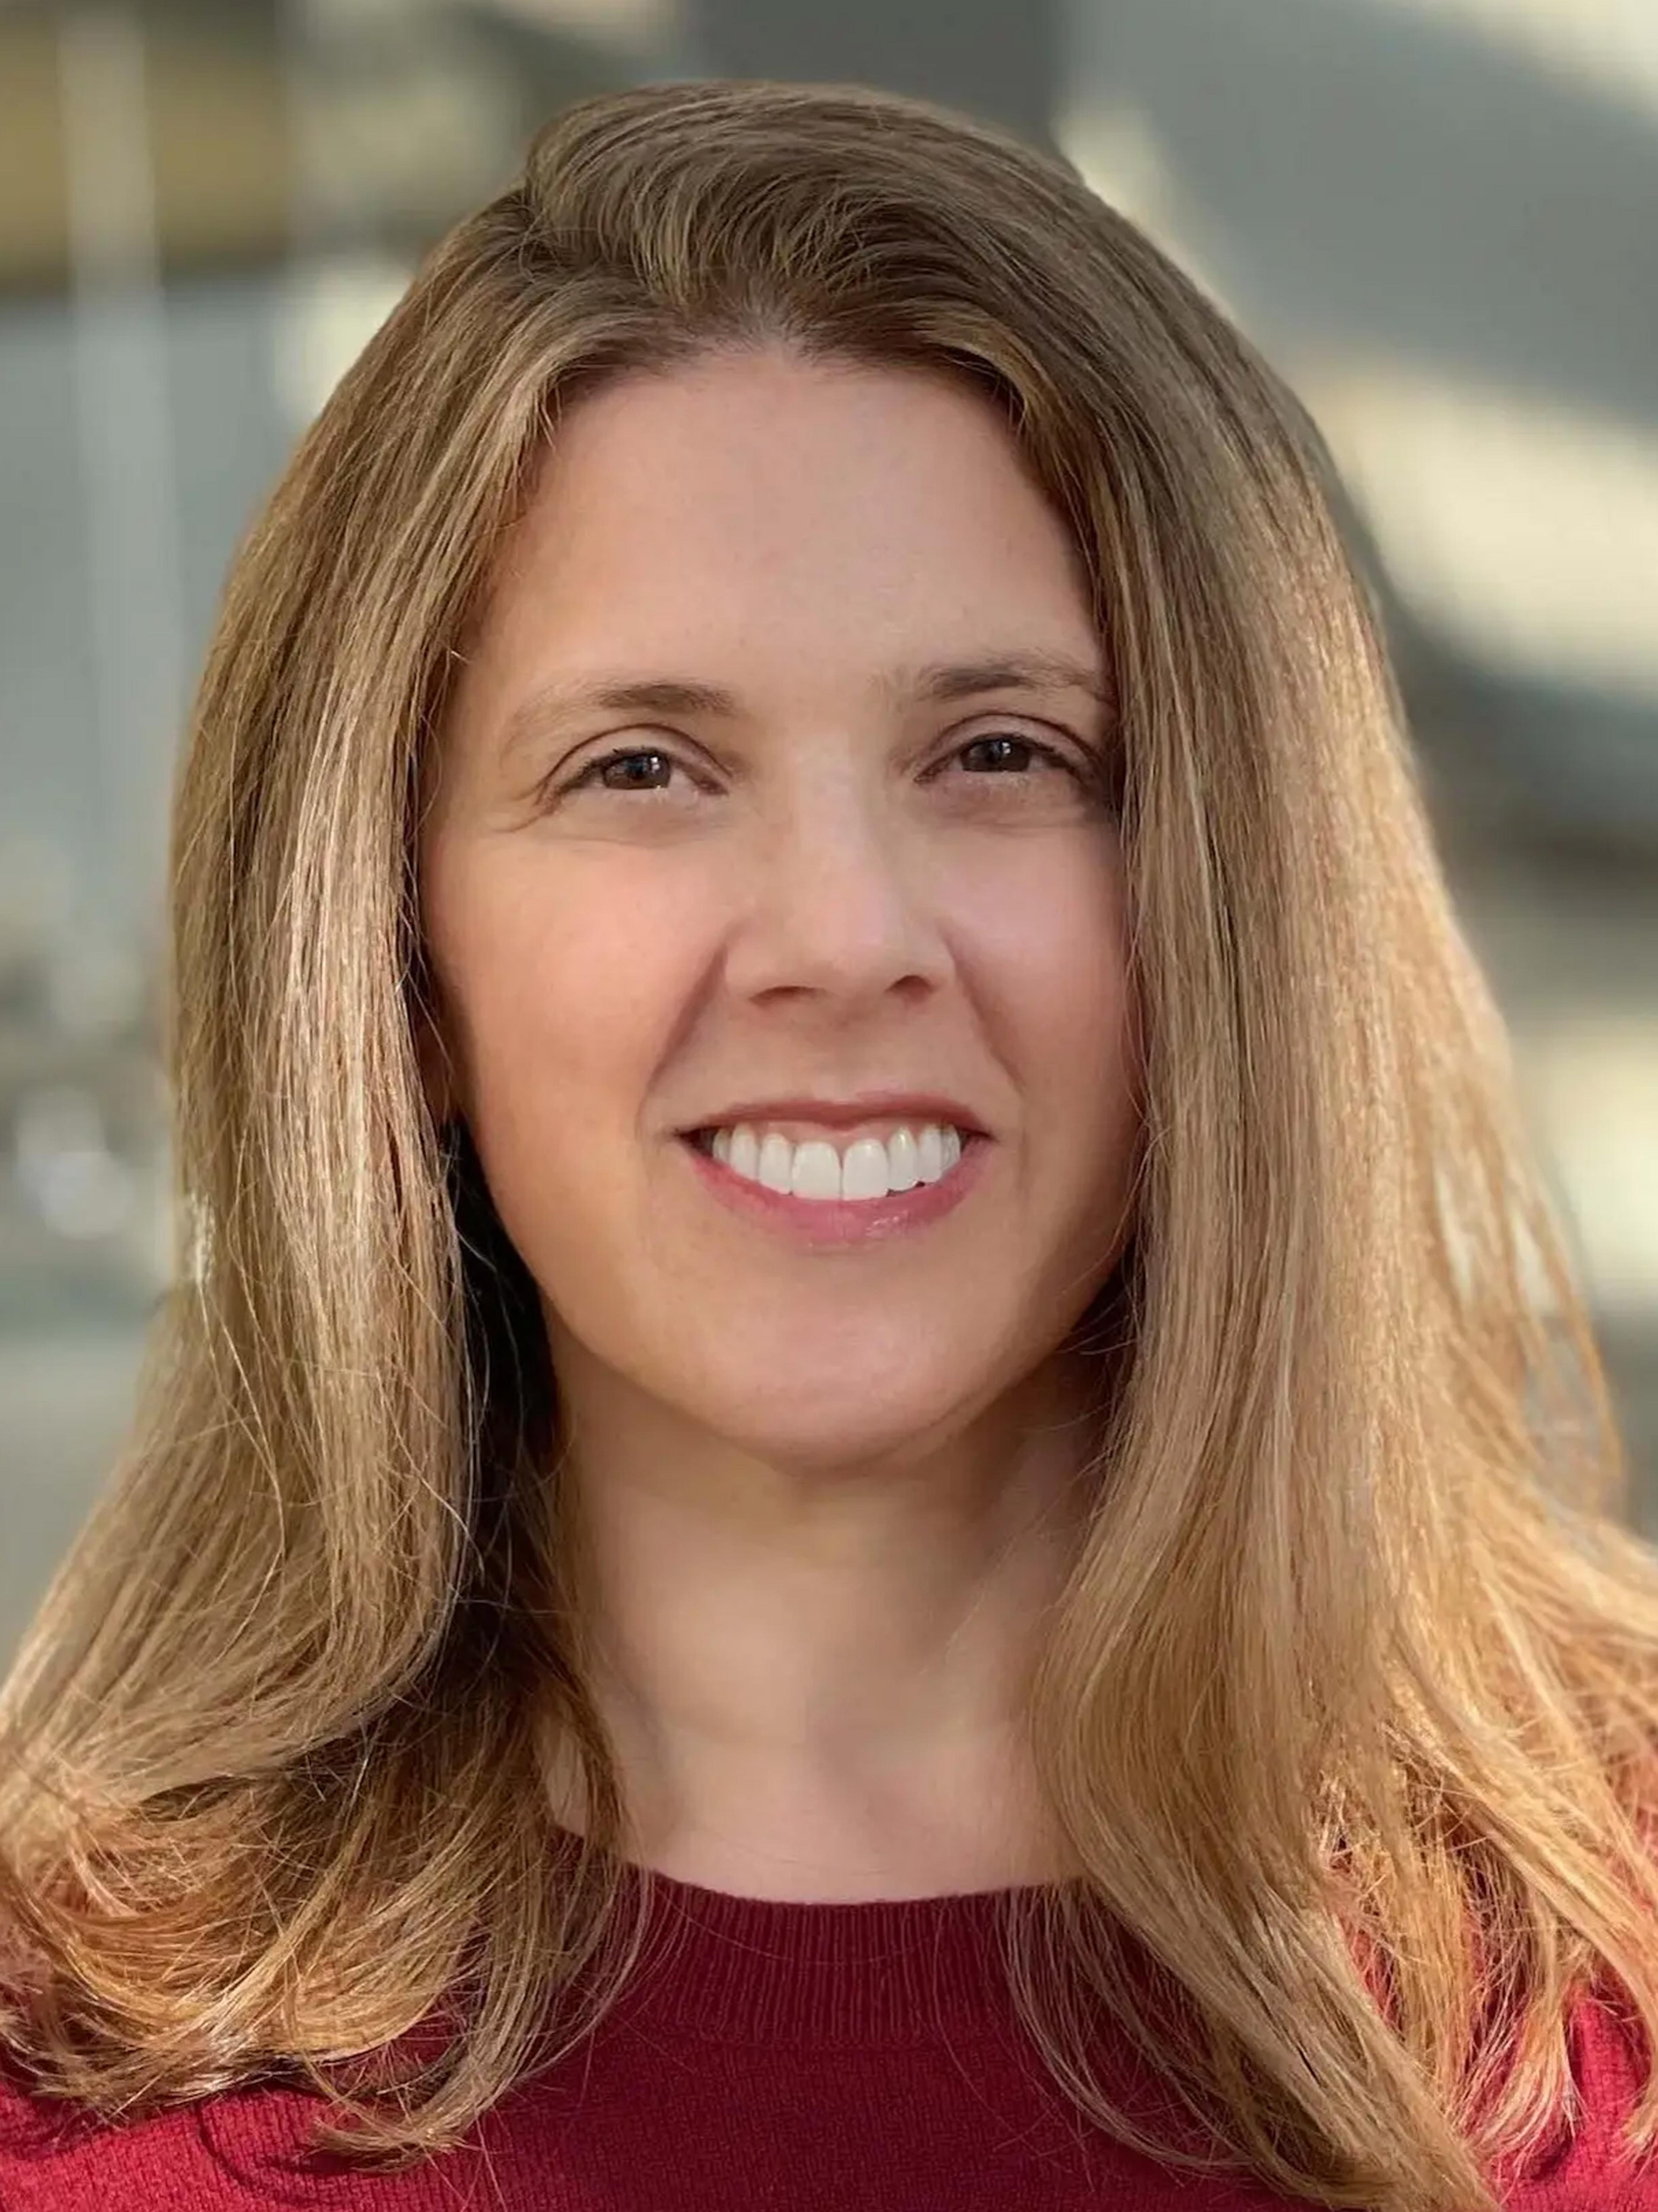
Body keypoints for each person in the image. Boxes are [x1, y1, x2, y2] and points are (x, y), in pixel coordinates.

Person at [0, 76, 1655, 2212]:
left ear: (1239, 914)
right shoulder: (61, 2091)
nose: (845, 941)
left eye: (1000, 750)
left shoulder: (1615, 1964)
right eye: (642, 769)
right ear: (397, 966)